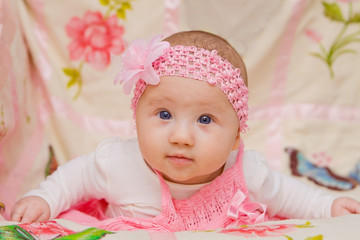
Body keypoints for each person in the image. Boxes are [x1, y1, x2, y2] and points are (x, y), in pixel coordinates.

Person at [10, 31, 360, 231]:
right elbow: (74, 178)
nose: (181, 136)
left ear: (237, 135)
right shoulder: (117, 162)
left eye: (205, 120)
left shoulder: (247, 172)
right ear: (136, 117)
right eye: (163, 114)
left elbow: (289, 196)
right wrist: (44, 199)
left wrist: (329, 206)